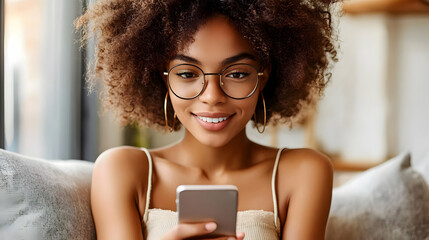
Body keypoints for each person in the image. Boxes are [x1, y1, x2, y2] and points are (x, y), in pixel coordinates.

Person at [75, 0, 338, 239]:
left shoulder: (303, 172)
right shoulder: (123, 171)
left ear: (263, 77)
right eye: (188, 74)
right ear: (164, 78)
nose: (212, 97)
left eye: (236, 74)